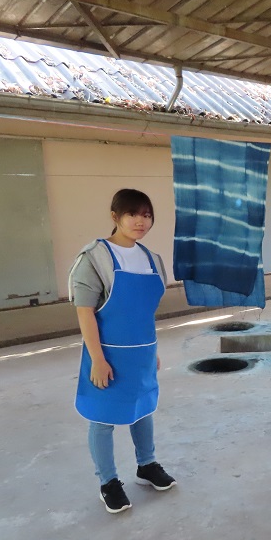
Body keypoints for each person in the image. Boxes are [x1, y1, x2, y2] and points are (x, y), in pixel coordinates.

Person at [69, 188, 176, 514]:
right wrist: (98, 360)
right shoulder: (95, 258)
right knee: (103, 419)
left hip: (142, 353)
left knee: (142, 410)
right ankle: (109, 483)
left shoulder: (152, 260)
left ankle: (147, 464)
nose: (140, 221)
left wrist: (151, 351)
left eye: (146, 215)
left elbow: (144, 313)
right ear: (115, 216)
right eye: (132, 214)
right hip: (107, 355)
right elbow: (85, 313)